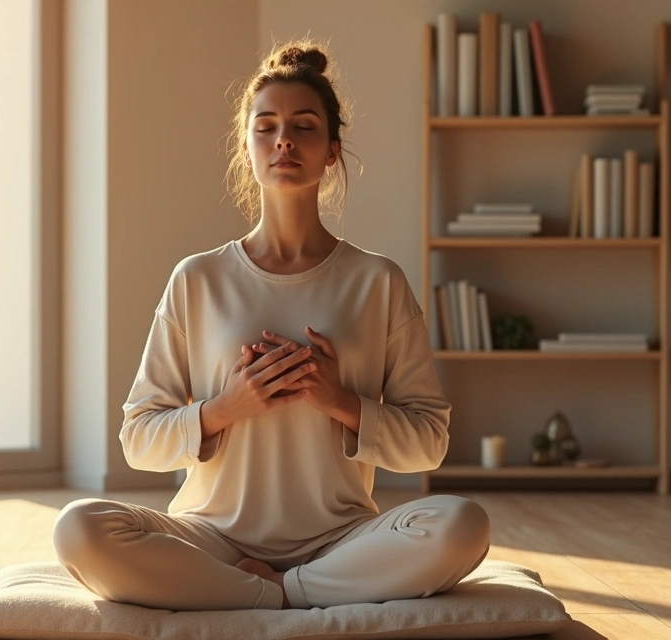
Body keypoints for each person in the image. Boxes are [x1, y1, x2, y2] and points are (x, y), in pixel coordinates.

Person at [53, 40, 490, 611]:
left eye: (304, 126)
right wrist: (226, 408)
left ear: (332, 150)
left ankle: (276, 592)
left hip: (342, 539)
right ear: (247, 146)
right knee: (79, 529)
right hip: (213, 538)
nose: (284, 138)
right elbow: (138, 438)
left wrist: (340, 401)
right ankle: (278, 590)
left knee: (463, 524)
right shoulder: (197, 278)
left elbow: (430, 442)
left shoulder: (378, 281)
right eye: (267, 126)